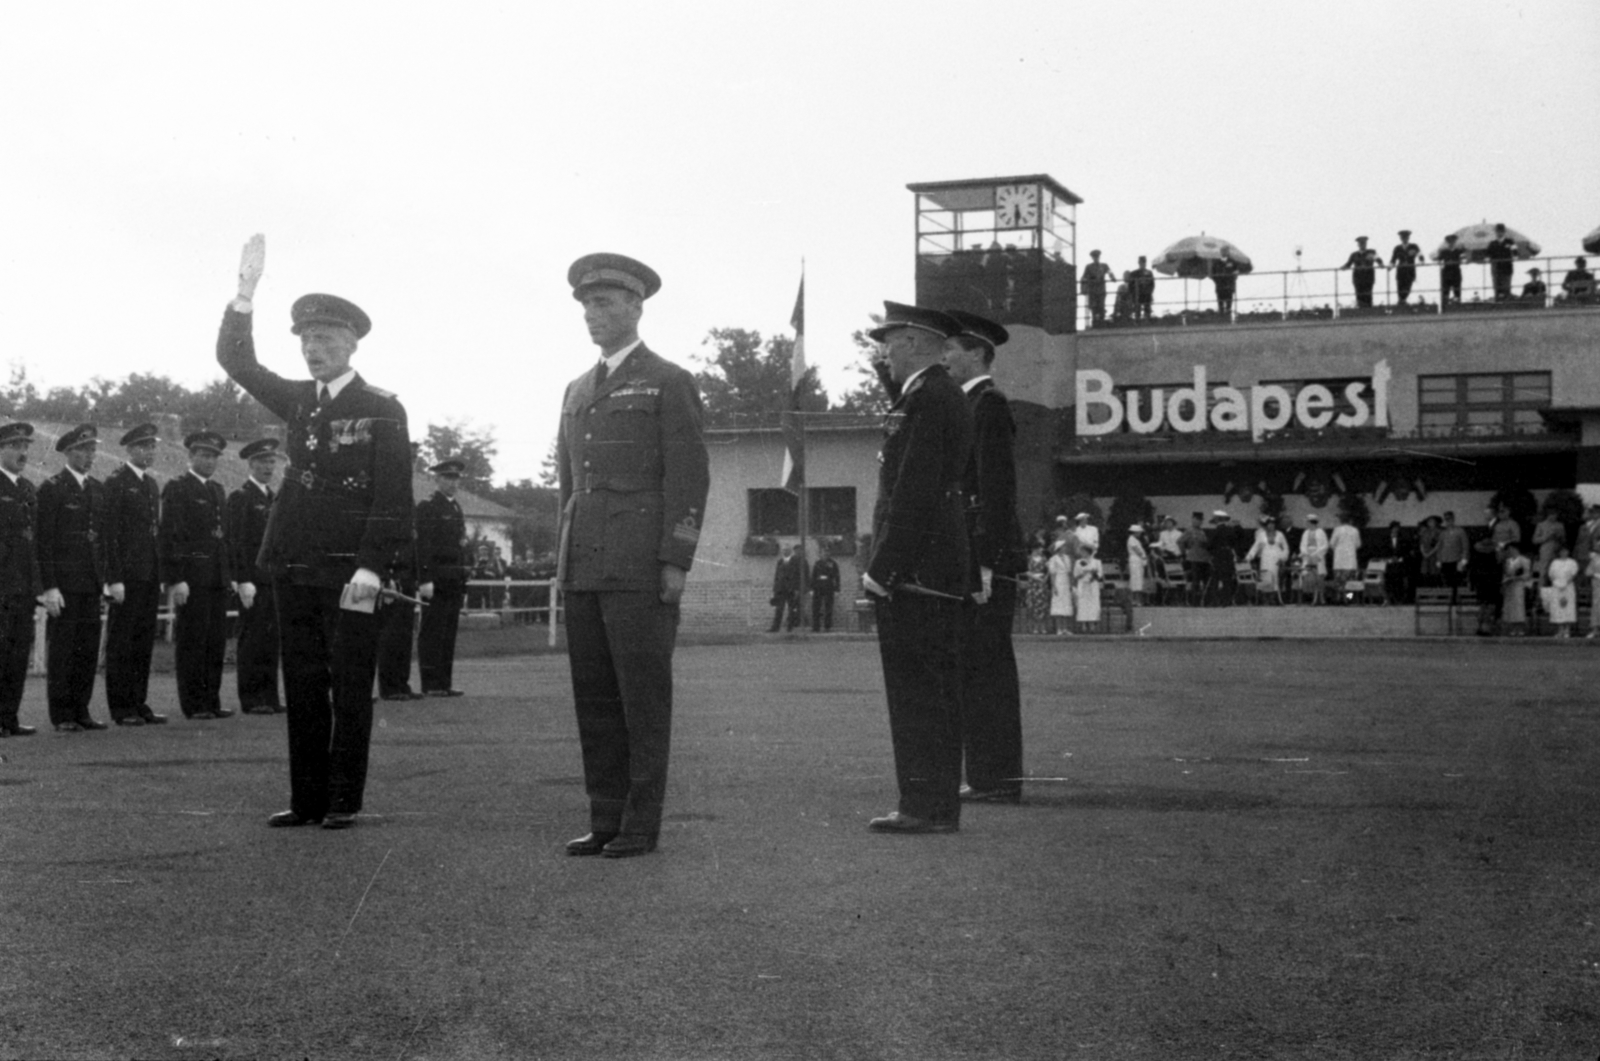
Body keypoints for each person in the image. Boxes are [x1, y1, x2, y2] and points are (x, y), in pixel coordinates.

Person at [218, 233, 415, 830]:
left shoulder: (383, 407)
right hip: (295, 563)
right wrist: (244, 295)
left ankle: (342, 799)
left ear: (351, 345)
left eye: (325, 340)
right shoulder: (300, 400)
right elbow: (238, 363)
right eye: (306, 341)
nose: (313, 350)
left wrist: (372, 565)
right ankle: (306, 799)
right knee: (301, 681)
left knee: (349, 683)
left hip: (352, 568)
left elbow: (392, 495)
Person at [557, 252, 709, 858]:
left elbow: (690, 476)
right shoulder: (576, 388)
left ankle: (640, 824)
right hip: (586, 565)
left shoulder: (669, 380)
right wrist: (563, 559)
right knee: (593, 698)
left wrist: (677, 559)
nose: (593, 315)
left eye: (604, 303)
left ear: (635, 307)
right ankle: (605, 817)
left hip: (640, 564)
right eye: (587, 305)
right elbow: (568, 485)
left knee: (641, 700)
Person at [859, 301, 971, 835]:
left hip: (918, 567)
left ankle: (925, 807)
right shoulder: (930, 394)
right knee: (929, 693)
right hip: (932, 563)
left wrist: (884, 566)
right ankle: (932, 805)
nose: (883, 350)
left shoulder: (929, 398)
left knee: (918, 693)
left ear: (913, 342)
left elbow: (914, 491)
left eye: (890, 340)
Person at [943, 308, 1026, 805]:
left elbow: (998, 488)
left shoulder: (989, 405)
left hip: (986, 556)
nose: (946, 357)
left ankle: (997, 779)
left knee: (987, 668)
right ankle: (990, 775)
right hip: (974, 554)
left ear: (977, 354)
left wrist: (990, 559)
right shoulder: (967, 405)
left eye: (953, 349)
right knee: (976, 667)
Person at [37, 423, 109, 732]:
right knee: (64, 652)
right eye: (82, 450)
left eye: (92, 450)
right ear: (68, 452)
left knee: (86, 651)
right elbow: (44, 542)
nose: (88, 456)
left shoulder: (97, 489)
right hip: (65, 585)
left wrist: (105, 578)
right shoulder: (53, 488)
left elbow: (102, 540)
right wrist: (49, 586)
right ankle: (63, 714)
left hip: (90, 583)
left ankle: (81, 710)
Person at [161, 431, 234, 720]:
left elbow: (223, 539)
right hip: (192, 579)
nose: (209, 460)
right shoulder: (178, 488)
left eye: (214, 456)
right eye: (203, 455)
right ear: (190, 457)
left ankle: (211, 700)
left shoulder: (217, 490)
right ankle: (194, 704)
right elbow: (172, 536)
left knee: (215, 643)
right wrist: (177, 578)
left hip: (216, 578)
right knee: (193, 642)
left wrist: (228, 576)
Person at [101, 423, 168, 726]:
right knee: (122, 642)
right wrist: (114, 578)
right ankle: (121, 707)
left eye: (152, 446)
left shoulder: (151, 485)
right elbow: (110, 535)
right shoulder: (116, 482)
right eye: (143, 446)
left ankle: (138, 702)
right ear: (129, 449)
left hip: (148, 574)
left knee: (142, 642)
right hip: (127, 577)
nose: (149, 451)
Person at [227, 438, 284, 714]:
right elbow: (236, 542)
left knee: (271, 641)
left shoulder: (274, 497)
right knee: (253, 639)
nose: (268, 467)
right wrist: (242, 579)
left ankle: (269, 697)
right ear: (251, 464)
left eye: (272, 462)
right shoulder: (241, 497)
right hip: (253, 580)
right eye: (263, 462)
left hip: (272, 580)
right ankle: (252, 699)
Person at [0, 423, 42, 737]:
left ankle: (8, 718)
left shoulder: (28, 488)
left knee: (17, 655)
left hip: (23, 587)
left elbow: (35, 542)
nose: (23, 452)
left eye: (26, 446)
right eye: (15, 446)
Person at [416, 458, 470, 697]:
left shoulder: (455, 507)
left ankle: (444, 682)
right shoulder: (428, 506)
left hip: (453, 578)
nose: (452, 482)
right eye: (447, 478)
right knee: (433, 631)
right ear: (436, 479)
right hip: (436, 577)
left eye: (456, 478)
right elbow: (423, 546)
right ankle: (431, 683)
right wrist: (424, 578)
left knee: (448, 632)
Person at [1246, 517, 1290, 605]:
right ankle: (1265, 599)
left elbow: (1286, 548)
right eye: (1269, 524)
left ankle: (1274, 598)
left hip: (1276, 559)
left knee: (1275, 578)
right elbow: (1255, 547)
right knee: (1265, 578)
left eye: (1273, 524)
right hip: (1265, 559)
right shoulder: (1261, 535)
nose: (1271, 526)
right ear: (1266, 525)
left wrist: (1283, 558)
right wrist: (1248, 557)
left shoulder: (1280, 535)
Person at [768, 545, 805, 632]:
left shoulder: (795, 562)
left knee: (791, 608)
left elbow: (797, 576)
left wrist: (796, 588)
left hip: (790, 588)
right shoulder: (780, 561)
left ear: (790, 552)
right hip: (780, 589)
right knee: (779, 609)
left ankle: (790, 627)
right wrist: (775, 588)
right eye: (784, 550)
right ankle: (775, 627)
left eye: (787, 550)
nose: (785, 552)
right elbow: (777, 575)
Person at [1436, 510, 1471, 600]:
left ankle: (1455, 600)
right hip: (1445, 560)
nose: (1448, 521)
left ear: (1453, 519)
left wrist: (1464, 560)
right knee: (1446, 581)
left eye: (1449, 519)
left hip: (1456, 560)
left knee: (1456, 582)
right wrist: (1439, 559)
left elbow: (1465, 546)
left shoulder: (1460, 531)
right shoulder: (1443, 533)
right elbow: (1440, 547)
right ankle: (1448, 599)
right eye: (1446, 519)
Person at [1546, 545, 1578, 638]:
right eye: (1562, 551)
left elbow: (1573, 574)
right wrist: (1557, 583)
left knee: (1567, 607)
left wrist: (1565, 583)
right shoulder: (1554, 562)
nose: (1563, 553)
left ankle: (1567, 630)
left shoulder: (1572, 562)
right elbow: (1551, 575)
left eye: (1565, 551)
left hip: (1568, 587)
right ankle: (1560, 630)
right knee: (1558, 608)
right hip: (1556, 587)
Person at [1329, 511, 1362, 600]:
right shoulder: (1355, 530)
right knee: (1350, 582)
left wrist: (1338, 549)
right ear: (1350, 520)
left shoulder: (1337, 530)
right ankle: (1349, 599)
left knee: (1339, 581)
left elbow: (1332, 544)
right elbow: (1358, 545)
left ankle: (1339, 599)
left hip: (1339, 561)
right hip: (1350, 561)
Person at [1341, 236, 1382, 308]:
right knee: (1359, 294)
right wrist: (1342, 268)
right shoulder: (1354, 255)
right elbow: (1348, 264)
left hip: (1368, 277)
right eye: (1361, 243)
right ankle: (1360, 308)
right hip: (1358, 278)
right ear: (1358, 244)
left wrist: (1381, 264)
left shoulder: (1371, 252)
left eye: (1364, 243)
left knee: (1368, 293)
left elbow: (1378, 259)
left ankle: (1369, 309)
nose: (1362, 244)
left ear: (1366, 244)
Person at [1179, 512, 1211, 605]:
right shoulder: (1189, 531)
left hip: (1204, 559)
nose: (1198, 522)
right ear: (1193, 520)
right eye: (1196, 520)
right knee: (1195, 580)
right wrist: (1184, 553)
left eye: (1200, 520)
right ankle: (1194, 601)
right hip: (1194, 558)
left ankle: (1205, 601)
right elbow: (1180, 541)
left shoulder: (1202, 532)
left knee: (1205, 580)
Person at [1298, 514, 1330, 605]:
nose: (1306, 524)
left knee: (1319, 577)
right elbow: (1302, 545)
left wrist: (1316, 554)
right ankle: (1312, 597)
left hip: (1317, 556)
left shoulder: (1321, 532)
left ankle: (1321, 598)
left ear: (1312, 522)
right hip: (1308, 556)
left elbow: (1325, 545)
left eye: (1308, 522)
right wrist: (1306, 553)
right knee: (1309, 576)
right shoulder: (1305, 532)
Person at [1500, 542, 1530, 634]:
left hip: (1519, 585)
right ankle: (1512, 627)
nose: (1509, 551)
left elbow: (1527, 574)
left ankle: (1520, 628)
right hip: (1509, 586)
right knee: (1510, 607)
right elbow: (1505, 573)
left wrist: (1516, 577)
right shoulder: (1507, 561)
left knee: (1519, 606)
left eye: (1510, 549)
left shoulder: (1524, 560)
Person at [809, 547, 840, 632]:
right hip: (818, 587)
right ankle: (816, 627)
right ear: (821, 554)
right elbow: (813, 576)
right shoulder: (817, 563)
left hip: (829, 587)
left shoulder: (833, 563)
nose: (825, 554)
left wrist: (837, 589)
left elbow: (837, 577)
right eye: (824, 553)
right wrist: (811, 588)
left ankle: (827, 626)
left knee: (828, 607)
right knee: (816, 607)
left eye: (827, 553)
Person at [1047, 538, 1075, 634]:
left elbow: (1069, 572)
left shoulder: (1067, 558)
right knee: (1058, 606)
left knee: (1066, 606)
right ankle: (1059, 628)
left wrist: (1071, 584)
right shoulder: (1053, 559)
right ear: (1059, 548)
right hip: (1058, 581)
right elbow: (1052, 574)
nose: (1065, 548)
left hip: (1066, 582)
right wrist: (1054, 586)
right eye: (1063, 547)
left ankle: (1066, 628)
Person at [1080, 250, 1113, 326]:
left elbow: (1109, 272)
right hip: (1093, 290)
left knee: (1101, 306)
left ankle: (1101, 322)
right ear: (1092, 258)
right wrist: (1084, 287)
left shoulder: (1104, 265)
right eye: (1094, 257)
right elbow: (1084, 277)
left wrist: (1112, 277)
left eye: (1097, 257)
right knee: (1094, 308)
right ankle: (1095, 322)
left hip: (1101, 290)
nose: (1096, 258)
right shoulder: (1089, 267)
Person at [1073, 546, 1102, 633]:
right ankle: (1083, 625)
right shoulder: (1078, 562)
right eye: (1081, 552)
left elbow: (1100, 575)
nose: (1082, 553)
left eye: (1084, 552)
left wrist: (1094, 574)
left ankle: (1092, 625)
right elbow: (1075, 575)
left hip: (1093, 585)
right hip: (1082, 585)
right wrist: (1083, 573)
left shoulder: (1097, 562)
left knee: (1093, 605)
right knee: (1083, 604)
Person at [1532, 508, 1566, 583]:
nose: (1554, 517)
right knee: (1543, 572)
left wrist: (1559, 537)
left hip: (1556, 551)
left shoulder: (1560, 525)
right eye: (1552, 515)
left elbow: (1564, 540)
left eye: (1555, 515)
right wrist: (1546, 537)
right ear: (1548, 515)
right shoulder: (1541, 525)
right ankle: (1541, 591)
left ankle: (1554, 591)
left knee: (1555, 572)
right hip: (1545, 551)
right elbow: (1535, 540)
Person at [1486, 224, 1517, 302]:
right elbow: (1487, 255)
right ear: (1496, 232)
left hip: (1507, 268)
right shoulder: (1492, 244)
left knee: (1506, 287)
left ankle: (1507, 303)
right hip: (1496, 269)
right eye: (1498, 231)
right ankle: (1497, 304)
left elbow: (1515, 253)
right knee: (1497, 288)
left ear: (1504, 232)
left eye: (1501, 231)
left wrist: (1514, 256)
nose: (1499, 233)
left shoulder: (1510, 242)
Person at [1390, 230, 1423, 304]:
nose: (1404, 239)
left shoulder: (1414, 246)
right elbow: (1393, 259)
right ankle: (1401, 301)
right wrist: (1390, 266)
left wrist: (1422, 260)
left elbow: (1420, 254)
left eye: (1406, 237)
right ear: (1401, 238)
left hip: (1410, 271)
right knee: (1400, 288)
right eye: (1402, 237)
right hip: (1400, 271)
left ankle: (1403, 300)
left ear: (1408, 238)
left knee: (1408, 287)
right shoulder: (1397, 248)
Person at [1024, 544, 1051, 633]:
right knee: (1033, 604)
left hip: (1041, 583)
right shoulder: (1029, 559)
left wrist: (1045, 579)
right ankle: (1035, 627)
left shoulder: (1044, 559)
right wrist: (1035, 577)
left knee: (1042, 604)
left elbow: (1049, 571)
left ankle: (1043, 627)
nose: (1041, 550)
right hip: (1033, 583)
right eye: (1040, 548)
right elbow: (1026, 572)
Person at [1437, 233, 1466, 306]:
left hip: (1456, 271)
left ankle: (1457, 304)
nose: (1451, 242)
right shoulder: (1444, 252)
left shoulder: (1458, 251)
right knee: (1445, 290)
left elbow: (1466, 255)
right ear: (1447, 242)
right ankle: (1445, 305)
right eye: (1449, 241)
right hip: (1447, 272)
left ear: (1455, 242)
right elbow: (1437, 259)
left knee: (1457, 289)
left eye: (1453, 241)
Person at [1125, 524, 1149, 606]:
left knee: (1138, 580)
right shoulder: (1131, 539)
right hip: (1135, 560)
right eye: (1139, 533)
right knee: (1135, 580)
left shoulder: (1135, 540)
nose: (1140, 534)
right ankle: (1135, 600)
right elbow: (1137, 550)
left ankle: (1136, 600)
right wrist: (1143, 557)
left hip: (1138, 561)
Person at [1211, 250, 1239, 316]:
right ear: (1221, 252)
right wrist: (1217, 281)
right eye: (1223, 251)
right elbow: (1212, 274)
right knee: (1220, 301)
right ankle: (1221, 315)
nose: (1224, 253)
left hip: (1229, 285)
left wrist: (1232, 279)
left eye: (1226, 251)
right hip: (1219, 285)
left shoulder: (1233, 262)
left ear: (1228, 252)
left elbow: (1236, 272)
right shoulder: (1216, 263)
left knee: (1229, 301)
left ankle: (1228, 314)